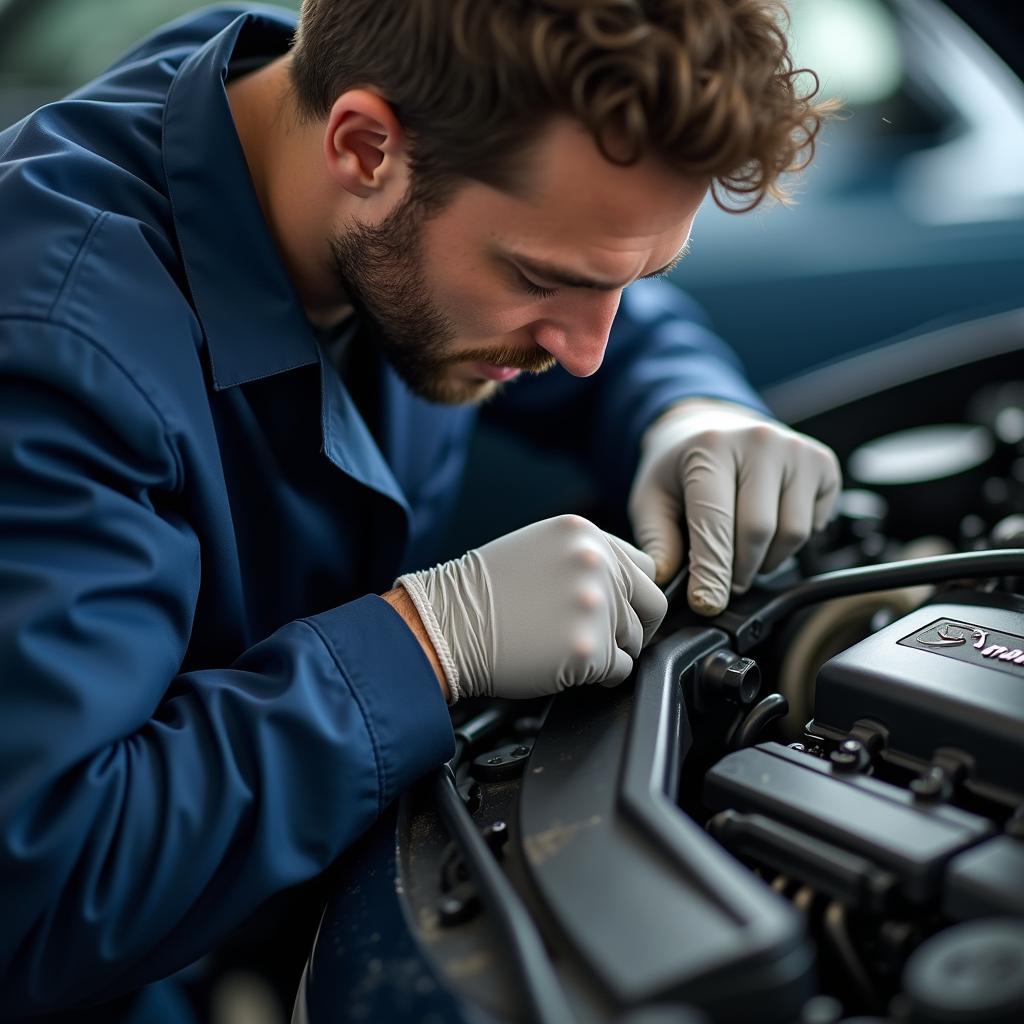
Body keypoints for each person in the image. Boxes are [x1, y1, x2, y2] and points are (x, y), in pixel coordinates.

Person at [0, 0, 841, 1018]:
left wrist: (686, 404)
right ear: (364, 147)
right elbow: (38, 889)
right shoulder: (52, 350)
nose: (587, 349)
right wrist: (425, 644)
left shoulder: (347, 114)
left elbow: (601, 280)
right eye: (542, 279)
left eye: (636, 275)